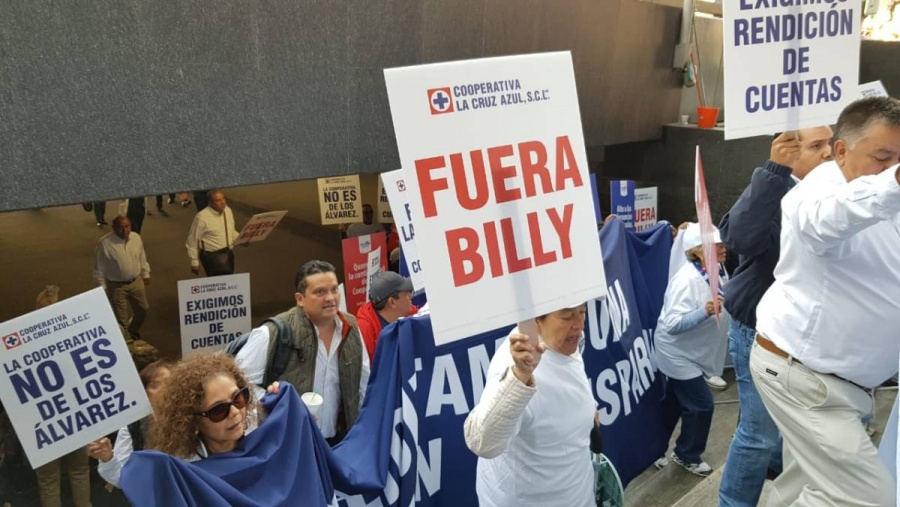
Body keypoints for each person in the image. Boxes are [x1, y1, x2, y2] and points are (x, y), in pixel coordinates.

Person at [751, 97, 900, 506]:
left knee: (806, 490)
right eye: (883, 157)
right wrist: (895, 182)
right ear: (841, 151)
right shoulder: (817, 192)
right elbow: (824, 221)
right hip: (807, 379)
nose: (889, 170)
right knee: (872, 499)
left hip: (839, 383)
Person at [717, 126, 833, 507]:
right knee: (758, 433)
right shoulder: (775, 191)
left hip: (805, 336)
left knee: (792, 433)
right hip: (758, 330)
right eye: (816, 146)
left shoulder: (836, 190)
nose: (829, 153)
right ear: (789, 152)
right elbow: (740, 238)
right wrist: (772, 173)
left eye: (831, 143)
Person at [464, 304, 598, 507]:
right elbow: (482, 441)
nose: (578, 325)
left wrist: (588, 406)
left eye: (582, 312)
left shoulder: (566, 341)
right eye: (567, 317)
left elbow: (569, 375)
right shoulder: (514, 364)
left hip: (578, 493)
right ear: (536, 320)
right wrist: (520, 377)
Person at [235, 260, 370, 444]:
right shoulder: (272, 333)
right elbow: (239, 385)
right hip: (289, 444)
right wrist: (276, 402)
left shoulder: (351, 327)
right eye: (320, 292)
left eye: (334, 289)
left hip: (338, 443)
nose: (330, 298)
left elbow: (363, 385)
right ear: (300, 299)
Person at [653, 223, 729, 477]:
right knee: (701, 405)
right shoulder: (686, 280)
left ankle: (652, 448)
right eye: (716, 244)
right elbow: (673, 324)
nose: (723, 247)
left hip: (695, 352)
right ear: (698, 251)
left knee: (674, 403)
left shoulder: (718, 269)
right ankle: (687, 453)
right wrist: (704, 312)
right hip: (677, 354)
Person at [89, 360, 173, 488]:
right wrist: (108, 458)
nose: (164, 390)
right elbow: (121, 478)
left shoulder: (197, 419)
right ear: (144, 392)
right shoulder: (135, 425)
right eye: (155, 385)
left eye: (170, 383)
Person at [93, 215, 150, 344]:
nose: (124, 230)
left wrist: (145, 273)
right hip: (116, 286)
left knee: (143, 310)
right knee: (121, 319)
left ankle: (132, 330)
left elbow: (142, 256)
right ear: (113, 228)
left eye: (127, 226)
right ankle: (126, 342)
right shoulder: (105, 244)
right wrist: (101, 289)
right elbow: (99, 269)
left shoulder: (136, 238)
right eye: (120, 227)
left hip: (136, 282)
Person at [355, 271, 415, 362]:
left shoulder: (409, 311)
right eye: (406, 294)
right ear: (392, 302)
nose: (411, 296)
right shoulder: (364, 333)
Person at [185, 190, 240, 277]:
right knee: (217, 284)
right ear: (211, 203)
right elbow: (192, 240)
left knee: (230, 283)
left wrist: (241, 239)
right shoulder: (202, 217)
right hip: (212, 258)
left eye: (223, 199)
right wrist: (194, 261)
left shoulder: (228, 211)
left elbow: (231, 231)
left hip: (228, 255)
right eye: (218, 200)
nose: (222, 202)